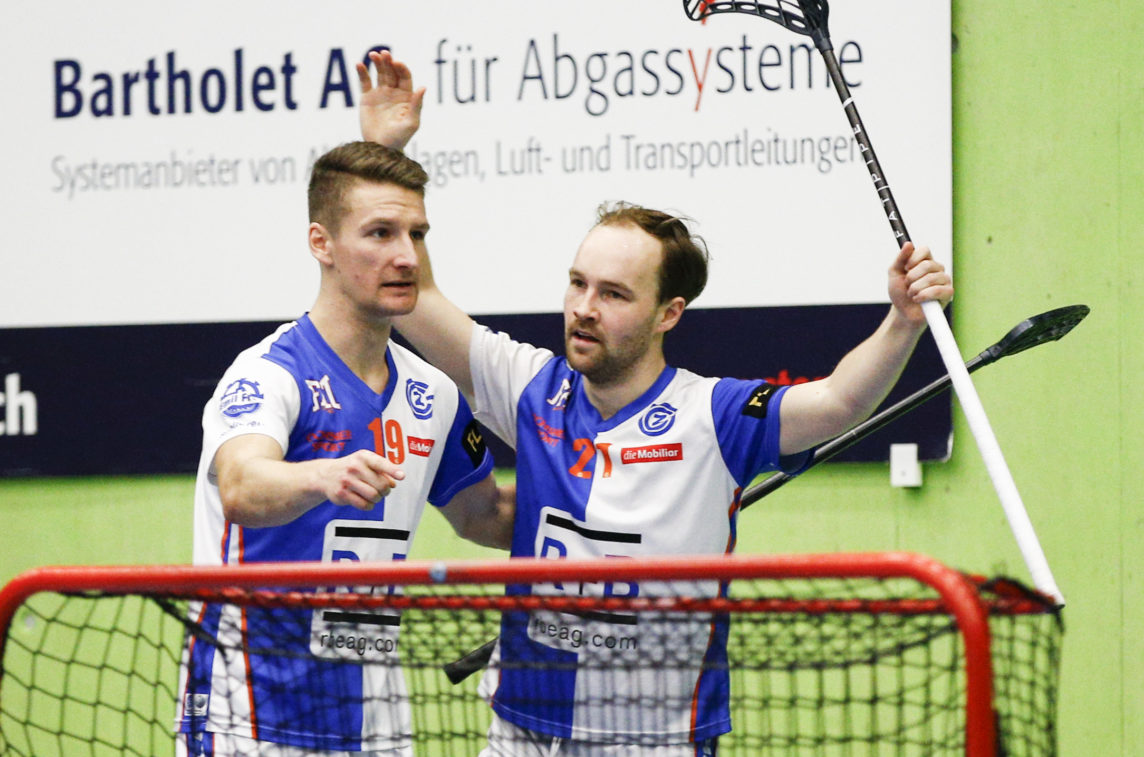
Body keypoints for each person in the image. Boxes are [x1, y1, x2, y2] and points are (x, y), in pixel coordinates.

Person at [359, 54, 954, 754]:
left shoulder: (715, 416)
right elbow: (416, 298)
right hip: (520, 732)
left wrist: (902, 320)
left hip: (654, 740)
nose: (583, 308)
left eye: (613, 294)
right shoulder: (530, 386)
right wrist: (384, 153)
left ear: (669, 312)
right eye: (577, 283)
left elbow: (841, 399)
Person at [176, 59, 515, 757]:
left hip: (376, 720)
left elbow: (486, 516)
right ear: (320, 245)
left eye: (417, 236)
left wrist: (616, 508)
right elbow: (241, 483)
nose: (406, 256)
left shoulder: (434, 395)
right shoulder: (270, 374)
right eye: (381, 235)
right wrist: (319, 476)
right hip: (253, 715)